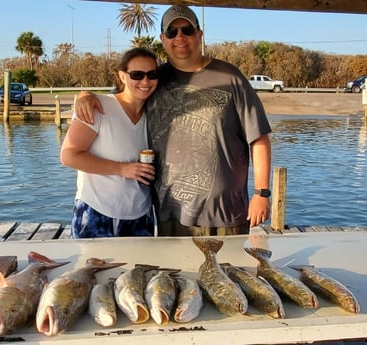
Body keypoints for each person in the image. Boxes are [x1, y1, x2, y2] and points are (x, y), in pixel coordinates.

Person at [75, 5, 272, 236]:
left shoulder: (231, 77)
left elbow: (259, 138)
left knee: (232, 272)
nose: (180, 37)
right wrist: (85, 95)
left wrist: (262, 193)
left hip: (226, 215)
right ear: (163, 39)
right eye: (172, 32)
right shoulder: (153, 79)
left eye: (187, 30)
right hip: (171, 215)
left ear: (199, 34)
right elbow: (120, 100)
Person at [60, 47, 158, 238]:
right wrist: (123, 169)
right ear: (122, 76)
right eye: (137, 75)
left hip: (141, 215)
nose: (145, 81)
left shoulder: (155, 113)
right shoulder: (98, 107)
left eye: (152, 74)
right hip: (97, 213)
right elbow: (69, 155)